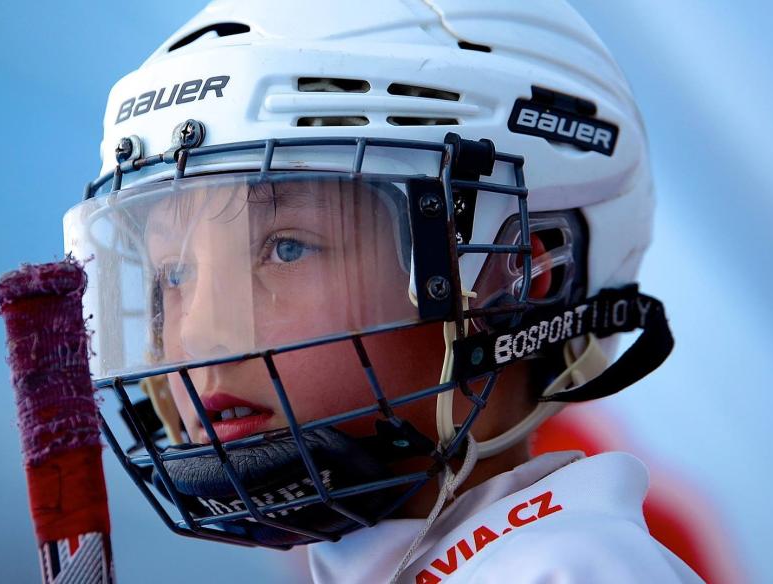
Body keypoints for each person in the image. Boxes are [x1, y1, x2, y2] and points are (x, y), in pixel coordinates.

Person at [62, 1, 704, 581]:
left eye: (287, 248)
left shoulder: (570, 572)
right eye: (174, 275)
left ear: (516, 273)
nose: (198, 334)